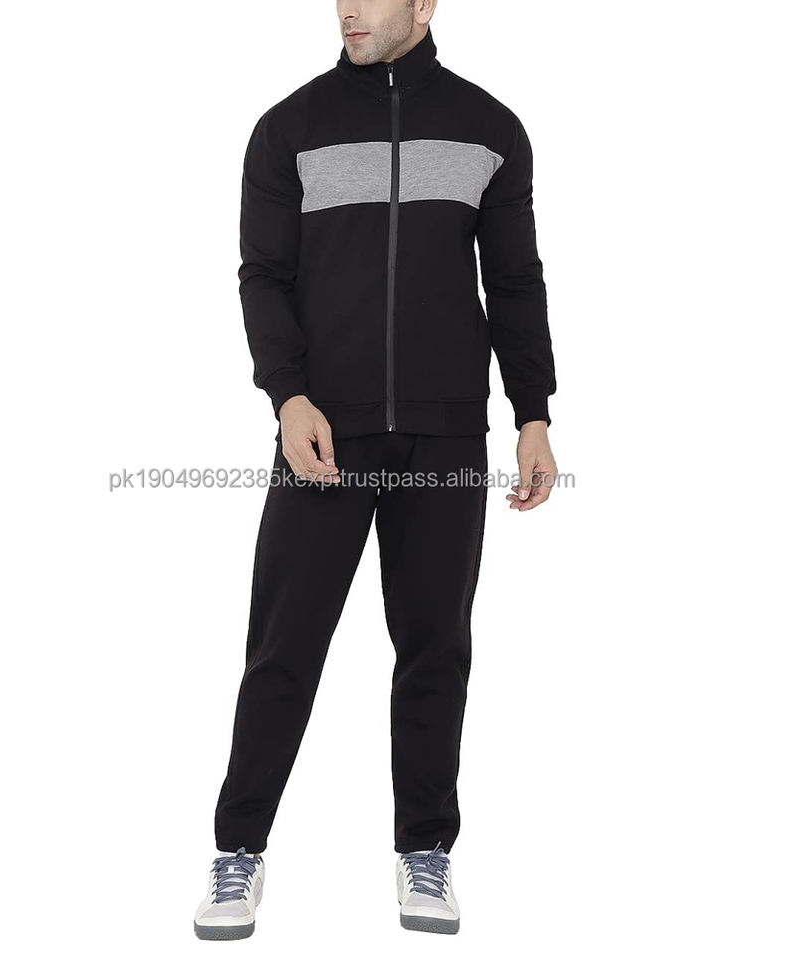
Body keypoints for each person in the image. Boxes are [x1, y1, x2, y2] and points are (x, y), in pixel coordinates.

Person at [194, 0, 557, 939]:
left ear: (424, 4)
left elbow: (514, 280)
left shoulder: (489, 129)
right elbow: (263, 276)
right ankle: (239, 851)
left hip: (447, 436)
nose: (348, 7)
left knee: (436, 648)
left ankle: (425, 851)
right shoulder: (289, 128)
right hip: (323, 434)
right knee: (284, 648)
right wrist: (288, 397)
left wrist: (533, 413)